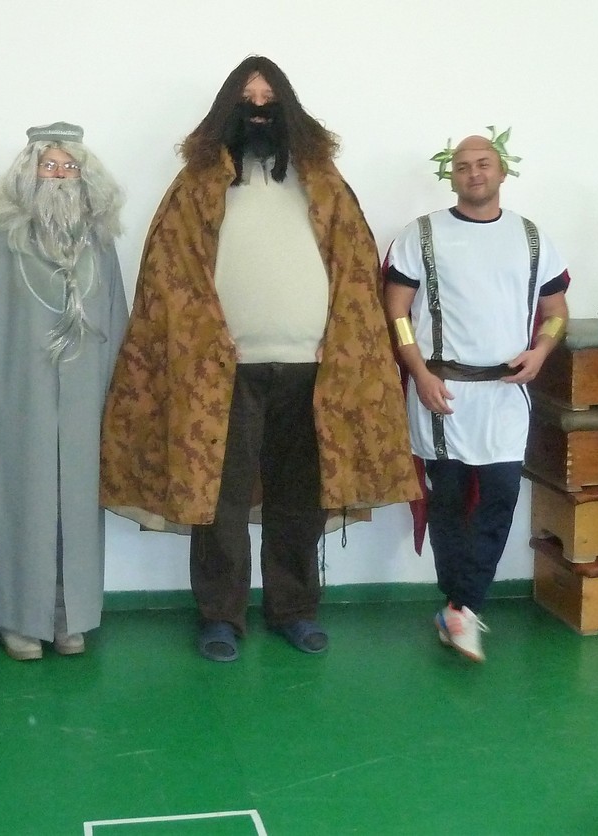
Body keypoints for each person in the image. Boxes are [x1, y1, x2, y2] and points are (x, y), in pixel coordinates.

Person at [100, 56, 418, 663]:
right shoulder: (197, 184)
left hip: (311, 370)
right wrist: (205, 341)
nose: (260, 109)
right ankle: (220, 616)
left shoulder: (322, 180)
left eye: (271, 99)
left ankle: (294, 610)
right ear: (229, 108)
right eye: (248, 98)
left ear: (288, 108)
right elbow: (169, 276)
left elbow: (356, 268)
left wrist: (341, 338)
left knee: (298, 498)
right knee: (218, 499)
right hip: (222, 373)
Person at [382, 130, 570, 664]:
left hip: (507, 392)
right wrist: (418, 371)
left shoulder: (531, 237)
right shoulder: (422, 235)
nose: (474, 173)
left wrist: (542, 350)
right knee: (448, 503)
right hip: (443, 390)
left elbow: (556, 311)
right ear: (452, 175)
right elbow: (396, 310)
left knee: (501, 497)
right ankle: (461, 608)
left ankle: (460, 608)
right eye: (463, 166)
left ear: (501, 170)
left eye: (483, 163)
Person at [0, 122, 127, 661]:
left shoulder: (100, 244)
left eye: (69, 167)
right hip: (15, 398)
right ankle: (16, 617)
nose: (59, 176)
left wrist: (113, 398)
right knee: (20, 507)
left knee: (75, 509)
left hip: (83, 400)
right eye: (49, 165)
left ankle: (68, 614)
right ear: (29, 173)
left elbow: (116, 320)